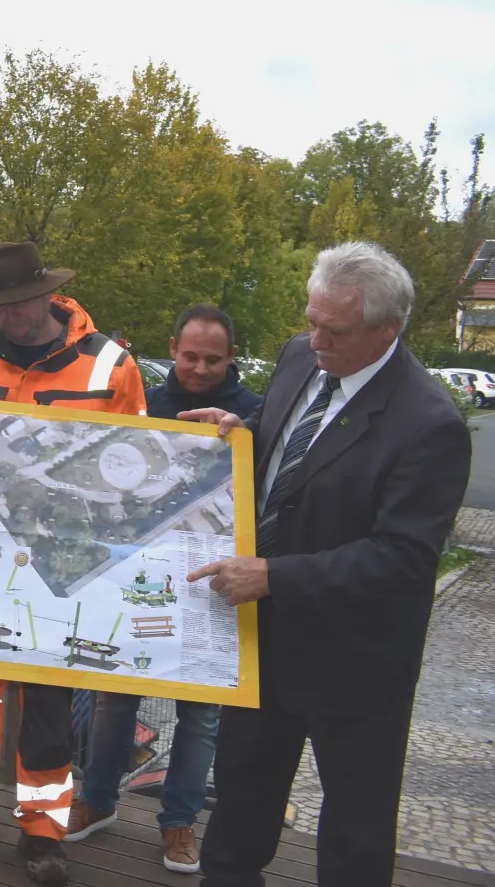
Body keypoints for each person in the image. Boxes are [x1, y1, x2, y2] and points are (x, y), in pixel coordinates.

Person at [180, 242, 471, 886]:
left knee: (354, 834)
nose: (314, 341)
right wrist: (243, 427)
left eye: (333, 331)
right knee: (239, 804)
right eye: (310, 320)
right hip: (263, 643)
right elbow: (291, 441)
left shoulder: (430, 424)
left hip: (355, 661)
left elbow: (403, 559)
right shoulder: (299, 356)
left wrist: (273, 577)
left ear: (386, 330)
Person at [0, 242, 147, 886]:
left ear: (49, 295)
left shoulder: (111, 367)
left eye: (19, 303)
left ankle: (45, 829)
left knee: (49, 696)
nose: (10, 317)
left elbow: (139, 461)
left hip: (63, 562)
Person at [65, 303, 263, 873]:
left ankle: (178, 823)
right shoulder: (139, 401)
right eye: (191, 355)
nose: (200, 368)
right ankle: (96, 801)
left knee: (200, 714)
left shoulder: (253, 413)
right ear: (173, 347)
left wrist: (244, 436)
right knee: (113, 698)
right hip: (134, 574)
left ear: (232, 358)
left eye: (214, 359)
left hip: (210, 582)